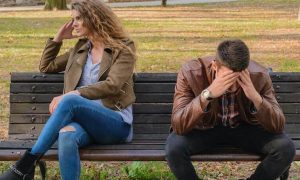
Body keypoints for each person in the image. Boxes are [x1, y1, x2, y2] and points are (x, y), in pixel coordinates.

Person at [0, 0, 136, 179]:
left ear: (94, 18)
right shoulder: (80, 49)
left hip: (115, 123)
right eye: (73, 19)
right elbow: (46, 66)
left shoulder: (123, 48)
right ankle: (29, 164)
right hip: (86, 123)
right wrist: (57, 39)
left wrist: (75, 93)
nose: (74, 24)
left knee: (70, 100)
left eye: (79, 18)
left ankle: (26, 163)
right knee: (66, 135)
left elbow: (113, 85)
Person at [165, 39, 295, 179]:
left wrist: (255, 97)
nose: (232, 86)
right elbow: (178, 125)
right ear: (215, 66)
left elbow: (278, 126)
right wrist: (207, 95)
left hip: (244, 128)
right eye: (227, 78)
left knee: (285, 147)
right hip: (204, 129)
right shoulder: (191, 72)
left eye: (238, 79)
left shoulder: (259, 75)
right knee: (174, 148)